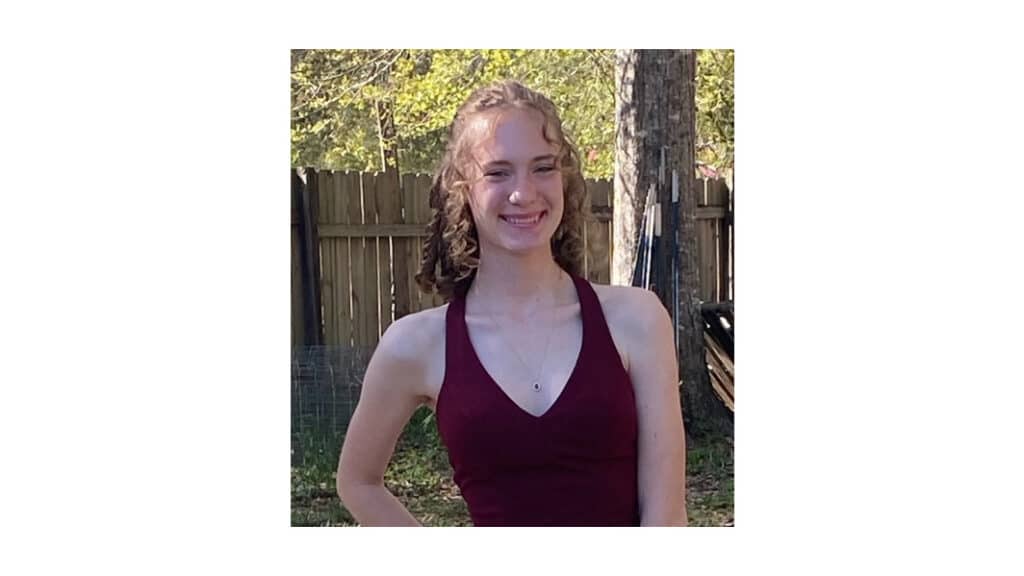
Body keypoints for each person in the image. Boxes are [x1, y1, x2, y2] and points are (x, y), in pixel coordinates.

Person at [336, 80, 687, 526]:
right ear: (461, 187)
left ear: (565, 178)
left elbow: (667, 517)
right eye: (498, 172)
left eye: (543, 167)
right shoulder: (417, 344)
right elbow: (358, 481)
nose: (524, 193)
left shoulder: (637, 319)